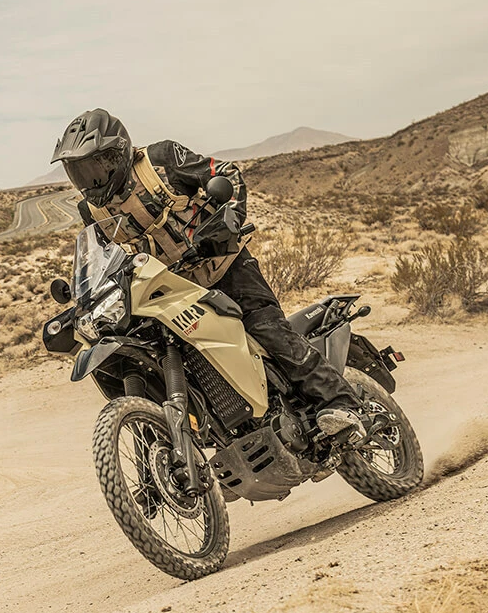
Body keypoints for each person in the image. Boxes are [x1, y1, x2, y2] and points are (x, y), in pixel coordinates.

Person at [50, 108, 365, 444]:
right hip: (173, 288)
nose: (90, 180)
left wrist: (228, 220)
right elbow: (102, 256)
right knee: (157, 349)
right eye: (79, 172)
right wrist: (85, 296)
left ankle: (341, 404)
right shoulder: (91, 210)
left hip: (224, 265)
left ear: (118, 153)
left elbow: (225, 173)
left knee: (266, 328)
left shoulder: (160, 161)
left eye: (95, 167)